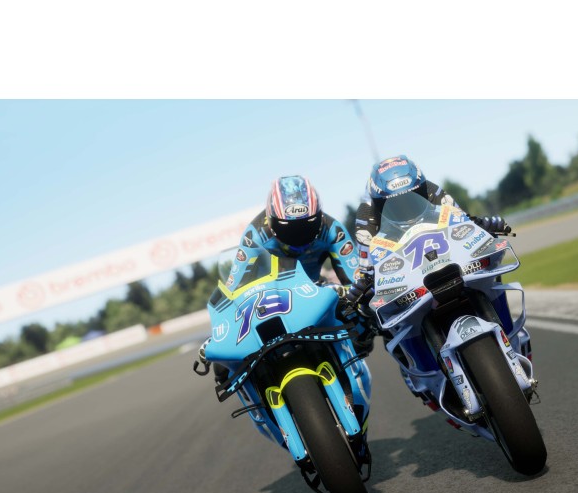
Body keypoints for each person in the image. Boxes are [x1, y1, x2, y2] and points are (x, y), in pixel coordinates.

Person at [198, 175, 365, 370]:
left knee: (363, 323)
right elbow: (233, 288)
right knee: (226, 366)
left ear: (319, 217)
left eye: (308, 225)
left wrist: (353, 296)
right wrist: (219, 335)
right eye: (288, 229)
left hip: (315, 292)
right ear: (271, 220)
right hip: (272, 300)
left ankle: (353, 367)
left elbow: (356, 279)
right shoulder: (255, 235)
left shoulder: (332, 230)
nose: (298, 237)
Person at [346, 153, 511, 321]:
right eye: (393, 205)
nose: (405, 209)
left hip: (446, 261)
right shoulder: (367, 215)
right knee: (374, 315)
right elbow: (366, 271)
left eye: (413, 198)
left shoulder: (431, 189)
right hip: (404, 279)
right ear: (378, 204)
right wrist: (362, 287)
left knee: (489, 271)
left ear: (422, 189)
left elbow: (464, 222)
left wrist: (485, 225)